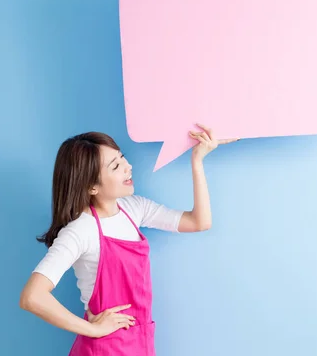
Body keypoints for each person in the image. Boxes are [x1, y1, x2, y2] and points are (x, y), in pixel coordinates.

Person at [20, 124, 238, 355]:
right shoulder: (80, 231)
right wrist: (92, 330)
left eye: (122, 158)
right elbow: (32, 297)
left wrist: (197, 161)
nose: (128, 167)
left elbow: (199, 222)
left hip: (139, 342)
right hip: (106, 348)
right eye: (115, 166)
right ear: (91, 186)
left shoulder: (133, 209)